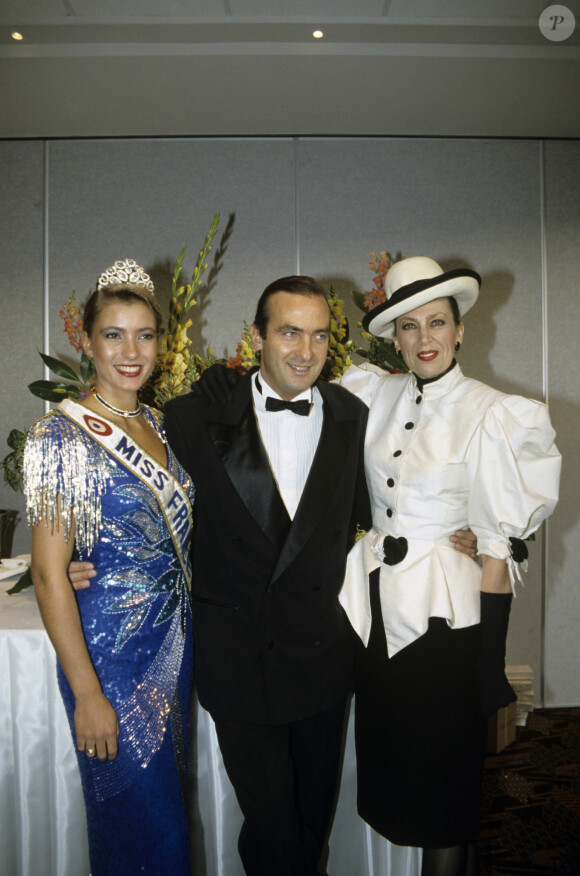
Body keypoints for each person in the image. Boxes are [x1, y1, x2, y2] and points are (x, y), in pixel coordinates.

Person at [69, 274, 477, 876]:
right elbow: (138, 498)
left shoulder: (352, 414)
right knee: (273, 828)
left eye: (316, 336)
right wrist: (94, 559)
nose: (304, 351)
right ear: (256, 336)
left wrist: (464, 528)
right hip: (239, 658)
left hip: (322, 656)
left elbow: (403, 487)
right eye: (288, 333)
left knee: (310, 825)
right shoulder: (190, 417)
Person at [336, 256, 561, 875]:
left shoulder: (494, 414)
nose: (424, 338)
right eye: (409, 326)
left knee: (446, 790)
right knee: (393, 777)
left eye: (437, 323)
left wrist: (490, 668)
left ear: (461, 330)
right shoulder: (371, 392)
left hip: (446, 630)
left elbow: (495, 548)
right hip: (377, 617)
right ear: (394, 338)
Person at [23, 260, 195, 876]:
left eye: (144, 335)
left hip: (173, 645)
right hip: (111, 657)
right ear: (88, 342)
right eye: (114, 335)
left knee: (164, 810)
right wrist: (89, 693)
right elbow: (49, 574)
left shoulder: (158, 424)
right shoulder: (59, 437)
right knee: (148, 827)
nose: (131, 351)